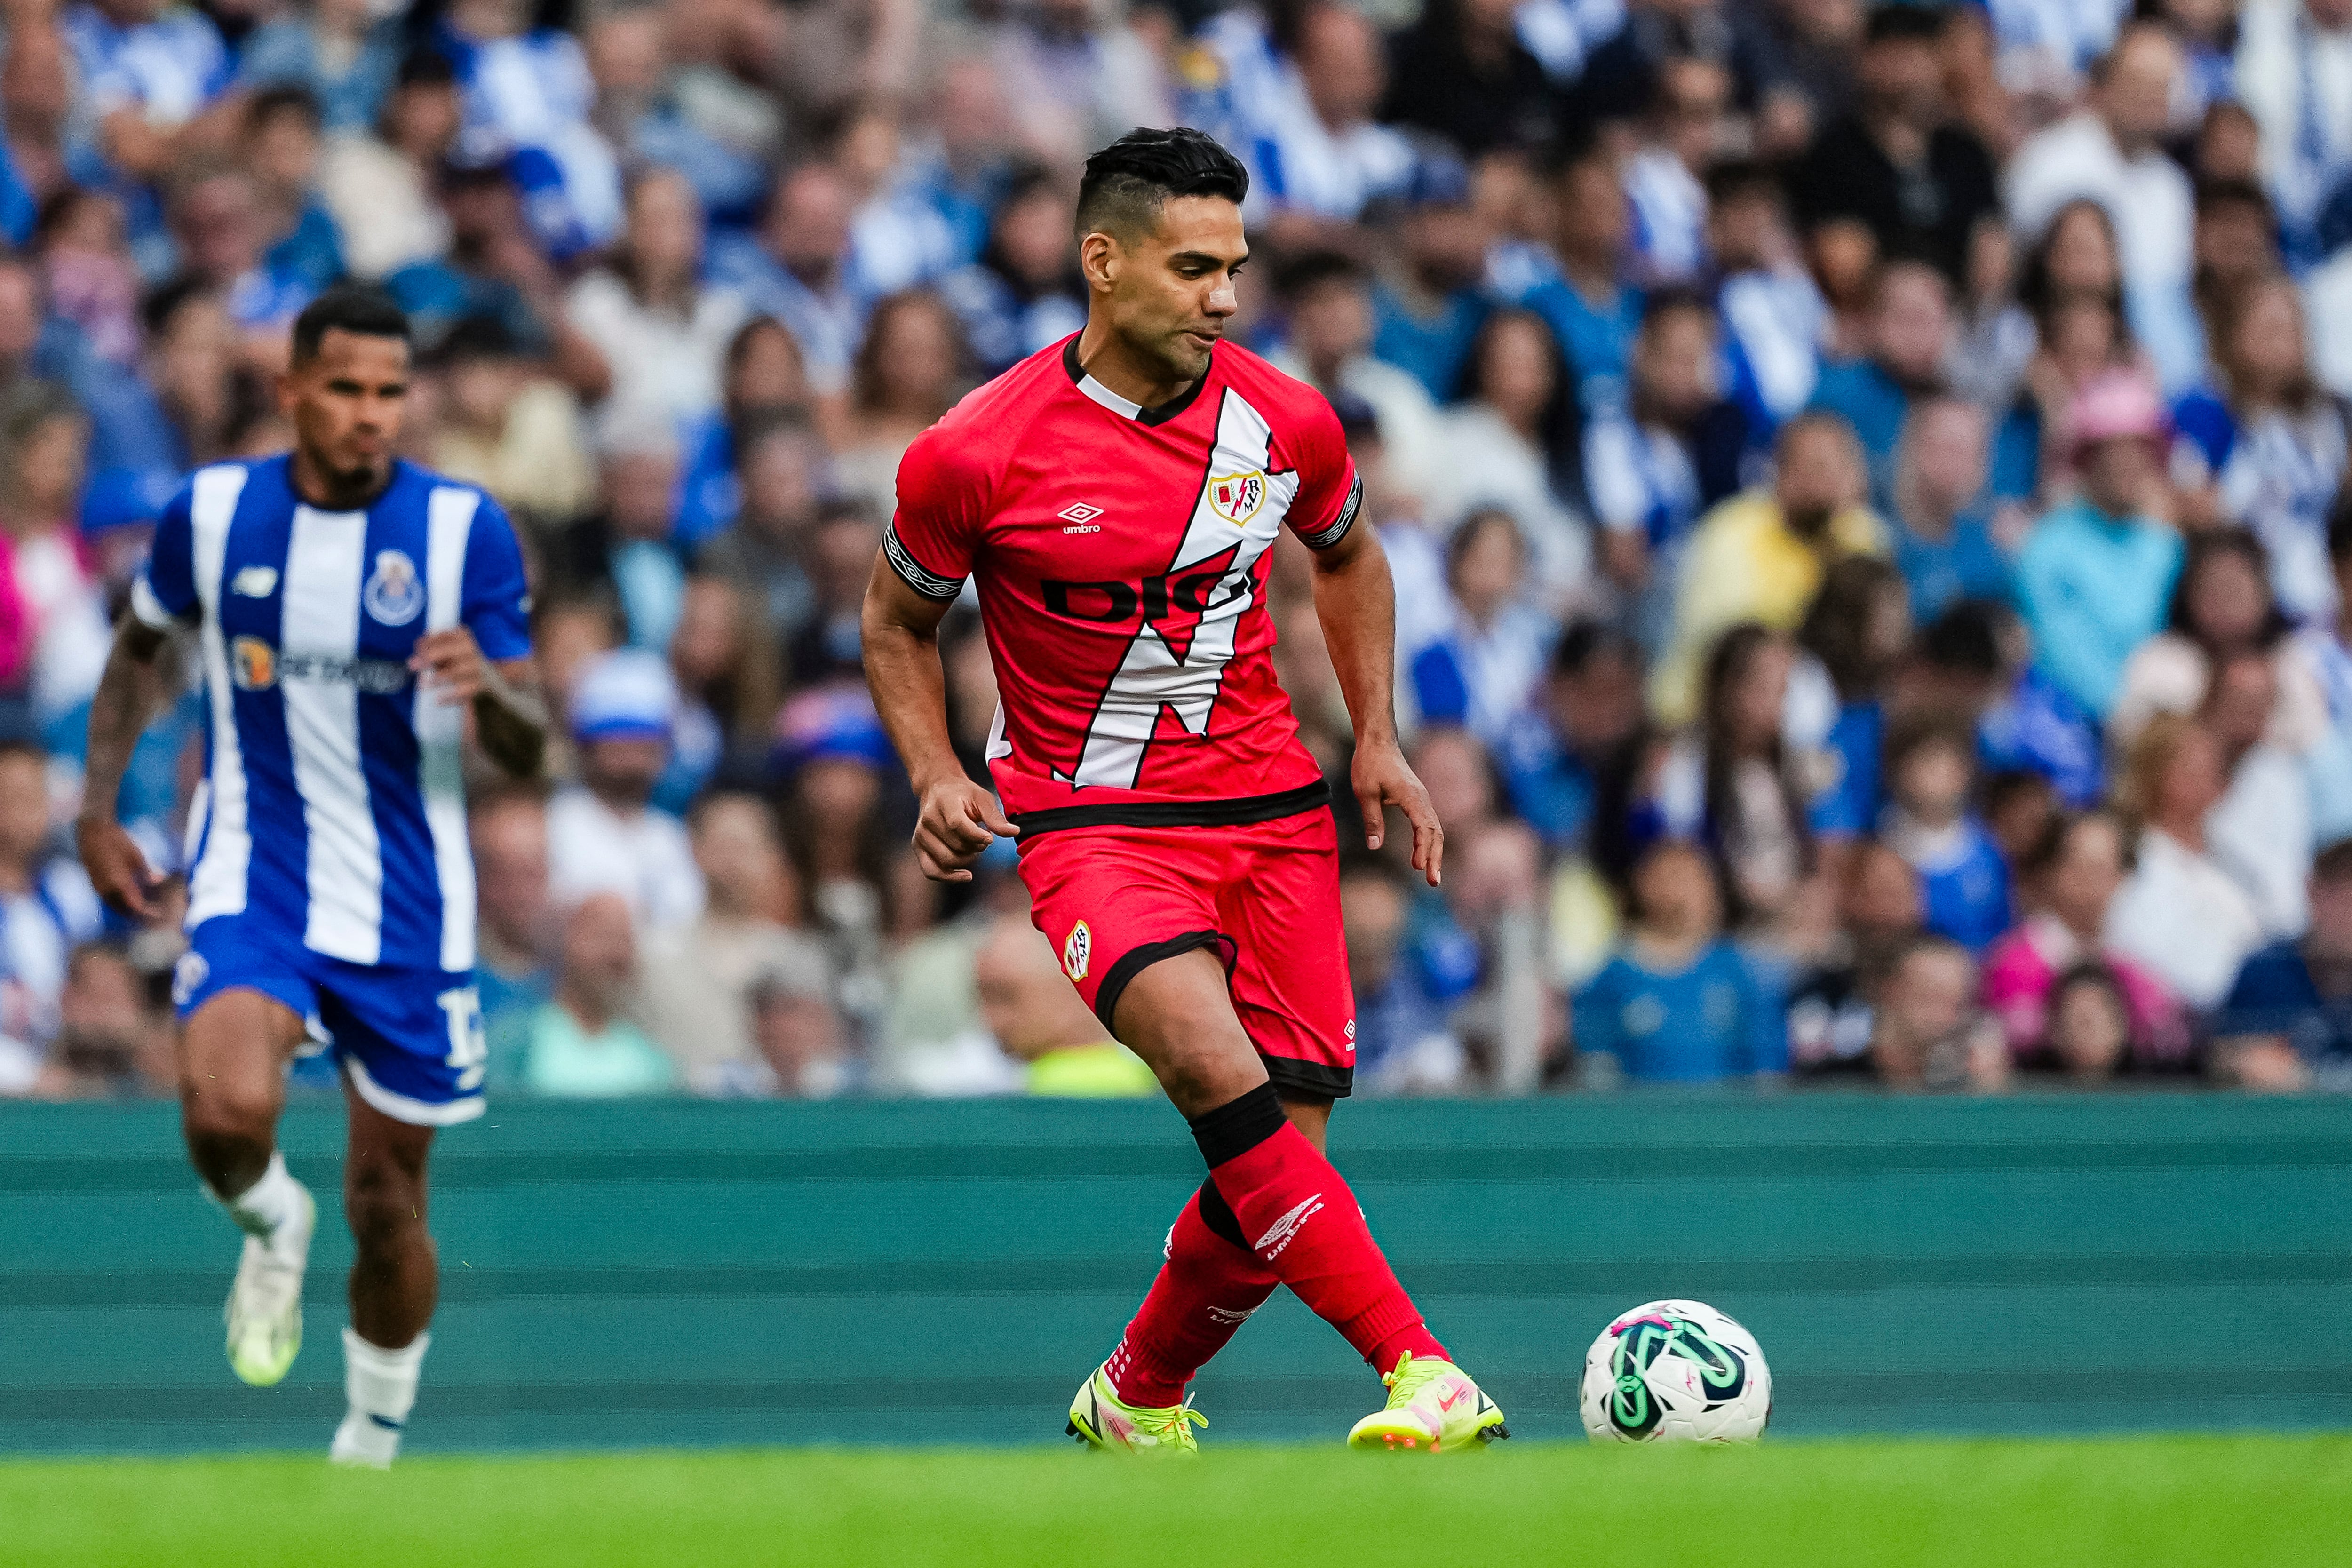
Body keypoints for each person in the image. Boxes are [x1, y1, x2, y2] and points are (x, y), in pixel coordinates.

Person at [861, 129, 1504, 1456]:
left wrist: (1375, 735)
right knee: (1221, 1075)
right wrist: (933, 769)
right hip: (1093, 824)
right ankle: (1424, 1368)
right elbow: (893, 619)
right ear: (1104, 263)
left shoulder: (1285, 420)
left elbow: (1350, 554)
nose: (1224, 295)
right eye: (1194, 266)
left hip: (1271, 809)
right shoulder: (974, 452)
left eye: (1236, 267)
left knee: (1285, 1152)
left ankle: (1139, 1393)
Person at [74, 289, 544, 1467]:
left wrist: (489, 688)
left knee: (388, 1206)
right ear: (290, 391)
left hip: (410, 905)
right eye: (345, 389)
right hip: (257, 868)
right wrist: (95, 811)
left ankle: (367, 1459)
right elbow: (140, 652)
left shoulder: (461, 532)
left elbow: (535, 741)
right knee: (225, 1115)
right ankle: (272, 1220)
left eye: (391, 392)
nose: (371, 415)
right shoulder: (215, 515)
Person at [1652, 411, 1884, 726]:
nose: (1827, 481)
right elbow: (1719, 649)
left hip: (1832, 714)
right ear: (1781, 471)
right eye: (1815, 467)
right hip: (1715, 720)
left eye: (1839, 467)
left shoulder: (1865, 537)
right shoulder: (1731, 534)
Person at [2014, 370, 2185, 721]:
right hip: (2068, 720)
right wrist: (2127, 710)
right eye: (2114, 451)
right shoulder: (2045, 547)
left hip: (2155, 721)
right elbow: (2059, 651)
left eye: (2140, 450)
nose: (2129, 463)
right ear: (2087, 459)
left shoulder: (2166, 545)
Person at [1571, 839, 1785, 1084]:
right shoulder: (1611, 979)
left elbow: (1767, 1071)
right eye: (1673, 877)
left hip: (1724, 1119)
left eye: (1697, 879)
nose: (1686, 890)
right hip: (1642, 1120)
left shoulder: (1739, 973)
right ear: (1644, 884)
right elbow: (1596, 1069)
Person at [2103, 714, 2267, 1011]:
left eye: (2213, 766)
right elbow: (2141, 952)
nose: (2208, 775)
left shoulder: (2231, 856)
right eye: (2193, 766)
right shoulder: (2135, 858)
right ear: (2159, 775)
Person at [544, 648, 704, 930]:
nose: (631, 753)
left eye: (644, 739)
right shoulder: (552, 825)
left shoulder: (671, 836)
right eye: (616, 737)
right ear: (586, 746)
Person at [2210, 837, 2352, 1092]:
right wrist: (2240, 1062)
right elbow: (2224, 1056)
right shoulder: (2266, 970)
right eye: (2342, 898)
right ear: (2313, 891)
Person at [973, 912, 1156, 1097]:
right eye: (983, 999)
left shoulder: (1032, 1094)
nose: (991, 1019)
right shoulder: (1153, 1076)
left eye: (1006, 997)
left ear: (1073, 986)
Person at [1877, 714, 2011, 953]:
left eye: (1950, 763)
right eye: (1929, 761)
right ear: (1901, 770)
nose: (1941, 774)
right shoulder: (1882, 846)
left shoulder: (1991, 851)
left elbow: (2004, 931)